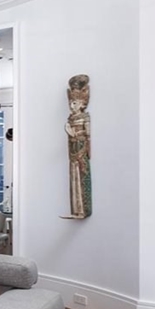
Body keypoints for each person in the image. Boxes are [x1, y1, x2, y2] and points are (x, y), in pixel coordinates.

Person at [64, 74, 92, 218]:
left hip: (80, 148)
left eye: (74, 103)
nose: (71, 106)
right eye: (70, 103)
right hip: (73, 149)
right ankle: (76, 209)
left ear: (82, 104)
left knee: (81, 175)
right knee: (73, 176)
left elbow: (88, 135)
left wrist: (77, 135)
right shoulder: (70, 119)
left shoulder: (85, 118)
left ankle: (83, 209)